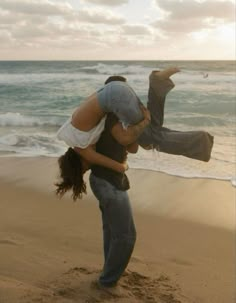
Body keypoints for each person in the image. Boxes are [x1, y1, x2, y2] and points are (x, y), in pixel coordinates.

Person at [56, 68, 181, 175]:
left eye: (83, 170)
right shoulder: (76, 128)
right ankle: (158, 83)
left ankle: (157, 82)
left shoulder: (81, 148)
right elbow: (132, 148)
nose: (87, 169)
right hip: (119, 88)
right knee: (151, 129)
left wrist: (125, 165)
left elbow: (119, 167)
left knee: (148, 135)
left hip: (115, 97)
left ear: (78, 164)